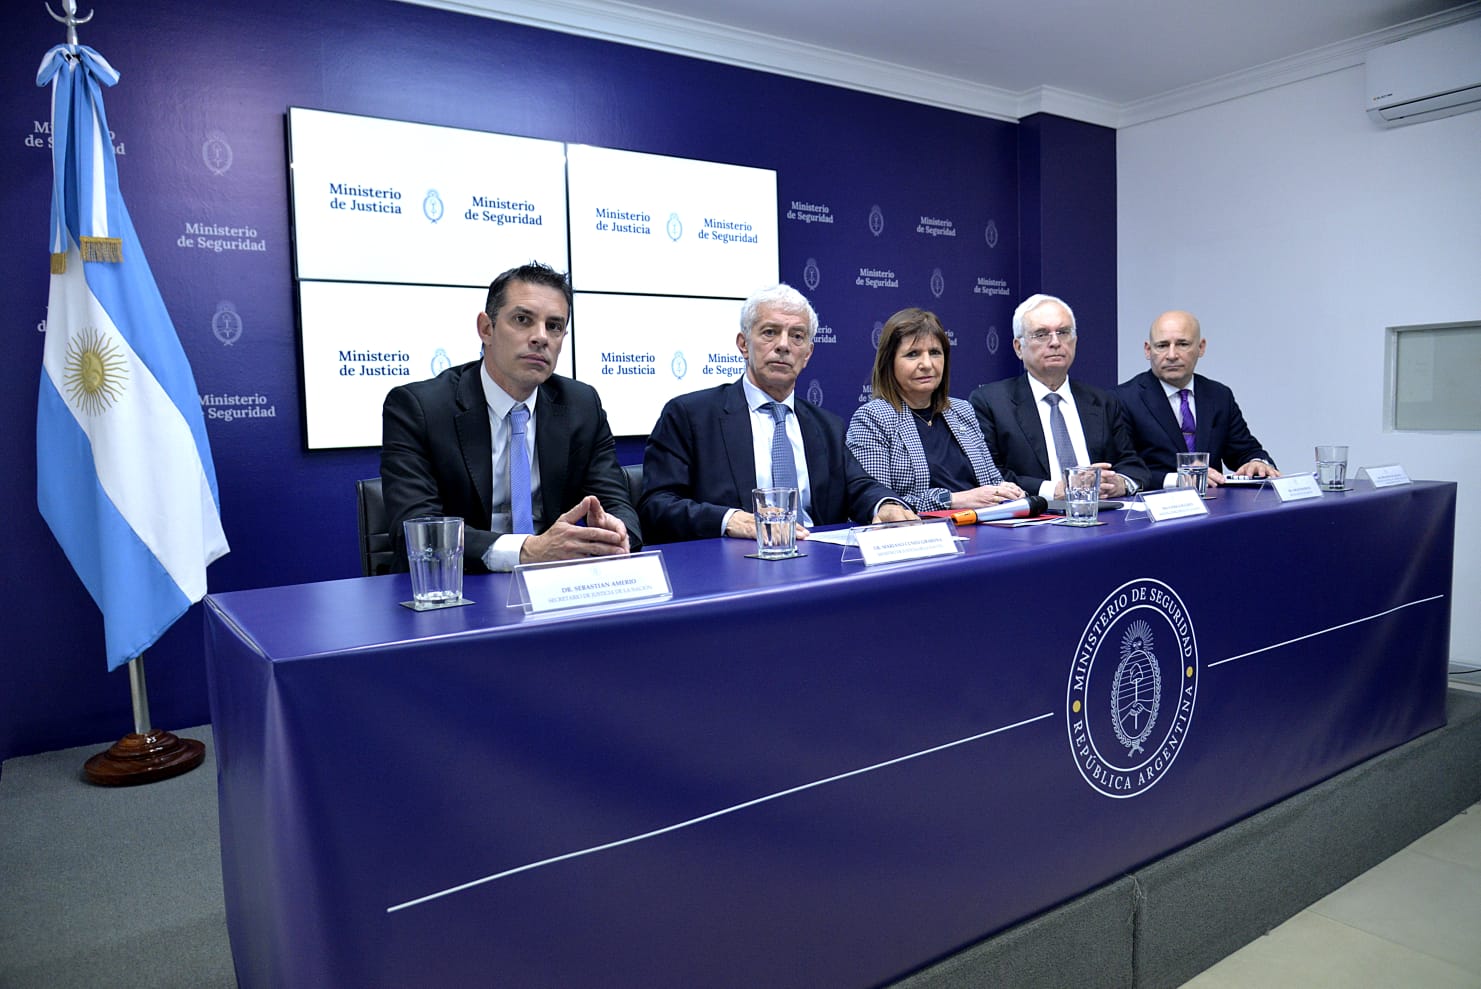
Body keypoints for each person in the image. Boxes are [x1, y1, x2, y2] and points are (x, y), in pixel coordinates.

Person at [380, 261, 640, 572]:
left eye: (554, 326)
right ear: (486, 329)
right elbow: (418, 531)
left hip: (555, 583)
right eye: (522, 320)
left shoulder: (582, 405)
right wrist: (527, 551)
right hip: (460, 583)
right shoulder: (419, 408)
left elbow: (617, 503)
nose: (540, 337)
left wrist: (616, 532)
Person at [640, 284, 916, 544]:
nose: (783, 345)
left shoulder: (826, 426)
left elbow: (859, 486)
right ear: (744, 344)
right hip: (734, 561)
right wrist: (728, 520)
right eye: (770, 332)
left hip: (818, 558)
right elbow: (657, 505)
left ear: (807, 354)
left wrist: (885, 505)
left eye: (797, 336)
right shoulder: (690, 416)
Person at [969, 293, 1150, 500]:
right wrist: (1054, 490)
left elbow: (1133, 466)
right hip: (1036, 515)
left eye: (1063, 332)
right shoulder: (991, 403)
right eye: (1041, 334)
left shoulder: (1102, 402)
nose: (1055, 342)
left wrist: (1120, 483)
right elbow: (990, 475)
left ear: (1075, 342)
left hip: (1103, 512)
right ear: (1019, 348)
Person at [846, 307, 1025, 511]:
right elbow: (882, 505)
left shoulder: (962, 411)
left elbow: (991, 480)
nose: (927, 364)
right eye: (913, 354)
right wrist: (952, 500)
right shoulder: (873, 418)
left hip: (983, 523)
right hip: (919, 529)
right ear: (889, 362)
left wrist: (1005, 490)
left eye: (934, 353)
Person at [1118, 310, 1280, 489]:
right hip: (1153, 503)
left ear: (1201, 347)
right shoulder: (1122, 399)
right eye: (1162, 346)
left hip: (1215, 502)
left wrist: (1257, 462)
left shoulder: (1219, 395)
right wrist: (1177, 480)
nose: (1172, 355)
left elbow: (1244, 450)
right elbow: (1123, 469)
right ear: (1148, 350)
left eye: (1182, 344)